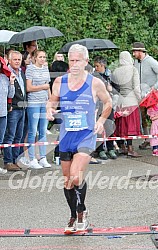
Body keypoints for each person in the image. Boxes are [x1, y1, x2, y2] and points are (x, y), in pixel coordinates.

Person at [46, 44, 112, 232]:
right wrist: (50, 110)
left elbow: (108, 102)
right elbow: (52, 101)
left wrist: (101, 120)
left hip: (86, 135)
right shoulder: (60, 81)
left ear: (86, 61)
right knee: (67, 180)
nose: (74, 64)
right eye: (71, 60)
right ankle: (74, 216)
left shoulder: (94, 83)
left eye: (78, 61)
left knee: (75, 175)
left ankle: (82, 211)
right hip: (67, 136)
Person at [132, 42, 158, 149]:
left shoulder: (151, 61)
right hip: (141, 95)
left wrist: (155, 86)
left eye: (135, 51)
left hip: (153, 95)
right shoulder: (135, 62)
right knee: (142, 116)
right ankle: (147, 138)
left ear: (141, 51)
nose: (133, 54)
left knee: (156, 117)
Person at [112, 51, 141, 157]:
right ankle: (130, 148)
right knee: (130, 126)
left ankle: (122, 147)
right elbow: (136, 87)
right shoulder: (133, 70)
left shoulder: (115, 71)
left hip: (120, 101)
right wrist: (140, 99)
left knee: (121, 125)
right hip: (131, 100)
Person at [26, 50, 51, 169]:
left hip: (44, 102)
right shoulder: (30, 69)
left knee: (43, 130)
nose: (42, 59)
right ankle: (31, 158)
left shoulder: (46, 69)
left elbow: (48, 87)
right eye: (40, 57)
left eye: (44, 57)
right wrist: (42, 87)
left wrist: (51, 101)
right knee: (33, 130)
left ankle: (43, 157)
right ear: (35, 58)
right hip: (34, 102)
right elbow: (29, 87)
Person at [3, 51, 27, 171]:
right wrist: (9, 105)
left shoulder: (21, 72)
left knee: (19, 136)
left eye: (19, 59)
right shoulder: (7, 73)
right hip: (13, 108)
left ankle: (16, 159)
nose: (17, 62)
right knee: (10, 136)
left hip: (22, 107)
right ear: (9, 60)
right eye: (15, 60)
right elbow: (6, 92)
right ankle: (8, 161)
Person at [93, 56, 119, 160]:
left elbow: (118, 89)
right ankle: (100, 150)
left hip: (108, 104)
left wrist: (110, 89)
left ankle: (111, 148)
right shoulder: (93, 76)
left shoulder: (111, 75)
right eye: (95, 66)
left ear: (103, 65)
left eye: (97, 66)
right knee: (98, 126)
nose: (96, 68)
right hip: (98, 104)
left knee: (109, 126)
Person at [0, 57, 16, 174]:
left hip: (3, 113)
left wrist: (11, 83)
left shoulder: (4, 78)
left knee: (0, 140)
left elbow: (10, 94)